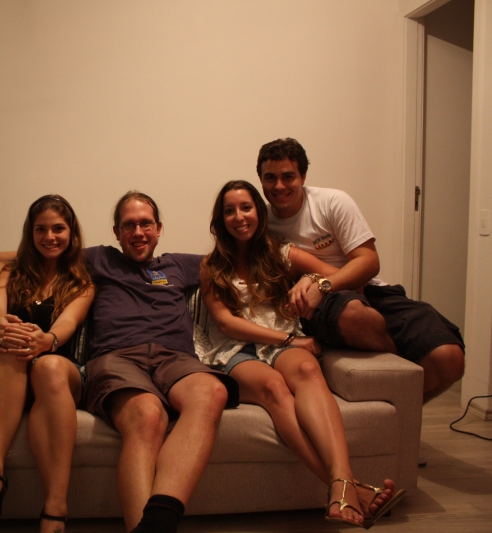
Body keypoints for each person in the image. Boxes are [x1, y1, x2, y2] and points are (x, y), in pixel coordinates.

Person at [198, 180, 404, 528]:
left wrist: (312, 282)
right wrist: (287, 339)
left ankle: (341, 482)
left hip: (284, 340)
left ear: (259, 212)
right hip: (234, 348)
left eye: (246, 207)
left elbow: (343, 278)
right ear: (221, 220)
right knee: (274, 389)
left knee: (309, 371)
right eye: (229, 211)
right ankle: (349, 488)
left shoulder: (283, 254)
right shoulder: (211, 266)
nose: (239, 217)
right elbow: (226, 323)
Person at [256, 138, 465, 403]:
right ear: (261, 180)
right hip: (321, 305)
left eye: (288, 176)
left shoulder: (332, 202)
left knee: (449, 358)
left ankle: (401, 408)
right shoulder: (261, 224)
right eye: (270, 178)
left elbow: (368, 262)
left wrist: (323, 284)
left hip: (370, 290)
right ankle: (403, 368)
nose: (279, 186)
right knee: (352, 313)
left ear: (303, 176)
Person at [83, 191, 240, 533]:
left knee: (213, 391)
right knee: (148, 415)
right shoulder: (99, 259)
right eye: (129, 225)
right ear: (116, 232)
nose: (138, 232)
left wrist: (316, 275)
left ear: (158, 229)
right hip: (117, 357)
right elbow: (31, 256)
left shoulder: (178, 265)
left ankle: (158, 521)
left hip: (175, 358)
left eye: (146, 224)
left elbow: (240, 256)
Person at [0, 195, 94, 533]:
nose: (49, 237)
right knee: (12, 341)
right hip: (7, 368)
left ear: (71, 232)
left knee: (48, 366)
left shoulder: (82, 280)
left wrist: (47, 340)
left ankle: (56, 504)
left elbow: (68, 322)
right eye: (41, 229)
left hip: (57, 372)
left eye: (58, 229)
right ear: (30, 232)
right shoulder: (6, 270)